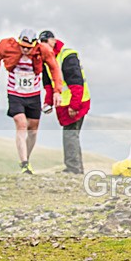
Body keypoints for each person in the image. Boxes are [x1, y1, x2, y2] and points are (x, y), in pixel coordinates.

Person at [0, 28, 62, 174]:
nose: (25, 50)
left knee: (33, 129)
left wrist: (57, 91)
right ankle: (24, 163)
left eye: (28, 48)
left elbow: (54, 68)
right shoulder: (7, 47)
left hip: (33, 94)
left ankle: (26, 159)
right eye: (23, 46)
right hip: (15, 93)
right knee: (21, 124)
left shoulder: (43, 51)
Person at [39, 30, 91, 174]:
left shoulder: (67, 55)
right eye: (41, 43)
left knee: (70, 134)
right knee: (71, 134)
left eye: (46, 41)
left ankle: (73, 169)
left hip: (76, 102)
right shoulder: (45, 59)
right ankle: (76, 168)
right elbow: (49, 85)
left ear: (53, 40)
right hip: (63, 104)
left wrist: (74, 105)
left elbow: (76, 83)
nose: (44, 45)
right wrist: (48, 103)